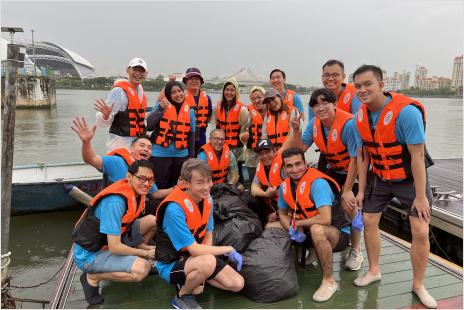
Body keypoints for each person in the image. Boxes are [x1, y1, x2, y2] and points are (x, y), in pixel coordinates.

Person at [352, 65, 436, 308]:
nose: (362, 90)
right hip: (379, 176)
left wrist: (421, 197)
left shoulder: (406, 113)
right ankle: (374, 270)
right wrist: (360, 189)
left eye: (368, 84)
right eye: (358, 86)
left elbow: (418, 157)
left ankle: (418, 285)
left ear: (381, 85)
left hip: (410, 177)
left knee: (420, 230)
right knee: (368, 221)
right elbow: (363, 156)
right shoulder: (360, 117)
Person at [286, 88, 364, 271]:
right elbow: (299, 150)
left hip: (354, 170)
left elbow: (355, 159)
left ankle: (356, 250)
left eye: (325, 103)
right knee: (318, 203)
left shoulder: (349, 124)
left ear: (335, 103)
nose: (320, 108)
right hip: (332, 169)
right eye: (315, 105)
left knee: (350, 207)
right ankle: (315, 247)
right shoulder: (314, 124)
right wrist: (295, 130)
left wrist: (347, 191)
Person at [155, 159, 244, 309]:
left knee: (237, 284)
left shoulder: (207, 199)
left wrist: (203, 266)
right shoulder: (174, 209)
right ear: (186, 183)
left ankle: (197, 276)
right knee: (208, 262)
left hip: (195, 258)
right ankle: (182, 295)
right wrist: (227, 249)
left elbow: (208, 233)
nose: (207, 187)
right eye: (200, 182)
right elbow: (194, 249)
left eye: (209, 181)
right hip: (171, 263)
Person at [72, 160, 157, 305]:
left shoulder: (136, 193)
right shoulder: (115, 202)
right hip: (90, 255)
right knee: (142, 269)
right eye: (142, 178)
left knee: (152, 221)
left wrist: (143, 246)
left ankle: (132, 257)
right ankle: (93, 277)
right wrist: (146, 253)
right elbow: (115, 247)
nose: (147, 183)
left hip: (111, 240)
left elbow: (127, 225)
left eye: (150, 180)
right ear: (129, 176)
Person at [277, 147, 351, 302]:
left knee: (318, 229)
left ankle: (329, 281)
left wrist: (297, 223)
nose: (295, 169)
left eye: (298, 164)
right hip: (305, 231)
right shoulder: (284, 186)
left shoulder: (317, 183)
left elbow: (325, 219)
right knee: (272, 227)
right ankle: (284, 268)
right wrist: (289, 227)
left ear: (305, 164)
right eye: (289, 166)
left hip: (337, 233)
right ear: (284, 168)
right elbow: (282, 213)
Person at [71, 117, 172, 201]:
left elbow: (155, 194)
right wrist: (86, 142)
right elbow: (91, 159)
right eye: (142, 145)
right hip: (115, 206)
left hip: (134, 208)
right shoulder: (117, 161)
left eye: (149, 148)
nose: (146, 149)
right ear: (131, 148)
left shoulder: (146, 170)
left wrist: (177, 188)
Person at [147, 81, 196, 190]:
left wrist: (191, 157)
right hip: (159, 154)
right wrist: (160, 108)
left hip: (181, 155)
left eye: (179, 91)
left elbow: (192, 136)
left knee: (178, 187)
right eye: (173, 92)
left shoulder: (190, 111)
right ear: (168, 94)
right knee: (159, 186)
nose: (178, 94)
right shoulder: (161, 105)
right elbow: (149, 125)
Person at [95, 58, 149, 152]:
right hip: (119, 145)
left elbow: (141, 120)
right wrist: (106, 115)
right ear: (128, 70)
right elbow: (102, 122)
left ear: (146, 74)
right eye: (135, 69)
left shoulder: (141, 93)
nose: (138, 73)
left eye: (141, 71)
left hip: (136, 147)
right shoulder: (119, 91)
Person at [214, 77, 249, 188]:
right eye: (227, 89)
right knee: (222, 171)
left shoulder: (242, 109)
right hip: (221, 145)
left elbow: (243, 129)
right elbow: (215, 126)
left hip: (236, 147)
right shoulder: (217, 107)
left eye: (232, 90)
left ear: (236, 92)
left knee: (238, 171)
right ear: (223, 91)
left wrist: (244, 137)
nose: (229, 92)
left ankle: (241, 190)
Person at [248, 139, 286, 226]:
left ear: (274, 152)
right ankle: (263, 222)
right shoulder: (260, 166)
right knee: (252, 201)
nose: (264, 156)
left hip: (286, 206)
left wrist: (277, 213)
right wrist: (265, 194)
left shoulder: (283, 165)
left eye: (268, 152)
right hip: (272, 203)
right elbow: (253, 188)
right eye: (261, 154)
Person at [183, 68, 213, 155]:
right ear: (186, 81)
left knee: (199, 160)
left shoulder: (207, 98)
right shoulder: (181, 97)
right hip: (185, 137)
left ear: (200, 81)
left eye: (196, 79)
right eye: (191, 79)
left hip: (201, 136)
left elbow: (209, 116)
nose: (194, 81)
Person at [240, 86, 266, 181]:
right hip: (252, 152)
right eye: (253, 98)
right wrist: (243, 137)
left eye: (259, 97)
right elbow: (241, 133)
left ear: (264, 97)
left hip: (268, 151)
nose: (257, 101)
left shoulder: (272, 111)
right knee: (252, 178)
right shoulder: (247, 112)